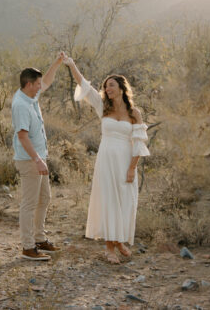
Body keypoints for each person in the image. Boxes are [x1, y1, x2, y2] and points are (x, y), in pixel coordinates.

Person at [62, 54, 149, 264]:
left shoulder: (134, 113)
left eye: (111, 85)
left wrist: (132, 168)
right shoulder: (103, 108)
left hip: (126, 161)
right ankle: (109, 247)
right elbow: (84, 85)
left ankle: (119, 240)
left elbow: (138, 143)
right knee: (109, 200)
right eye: (105, 87)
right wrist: (72, 64)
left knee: (125, 201)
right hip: (107, 159)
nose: (107, 89)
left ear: (121, 87)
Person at [11, 52, 65, 261]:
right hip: (29, 160)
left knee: (44, 198)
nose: (41, 87)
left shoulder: (31, 96)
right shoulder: (21, 105)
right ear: (29, 84)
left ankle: (40, 239)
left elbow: (48, 81)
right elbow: (23, 136)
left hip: (38, 158)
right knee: (30, 203)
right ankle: (28, 247)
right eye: (38, 84)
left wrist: (57, 63)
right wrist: (38, 160)